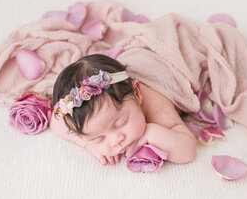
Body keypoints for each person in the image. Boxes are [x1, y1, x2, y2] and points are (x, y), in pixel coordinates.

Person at [51, 54, 197, 166]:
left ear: (137, 94)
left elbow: (188, 151)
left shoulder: (157, 107)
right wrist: (88, 144)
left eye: (121, 122)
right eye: (99, 138)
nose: (116, 141)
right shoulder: (76, 109)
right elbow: (56, 121)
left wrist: (150, 132)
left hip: (162, 63)